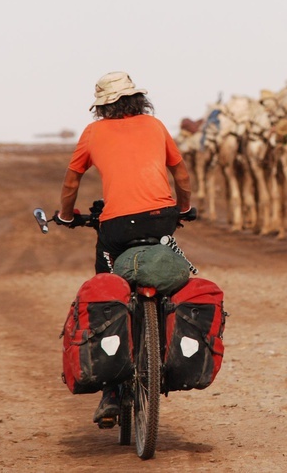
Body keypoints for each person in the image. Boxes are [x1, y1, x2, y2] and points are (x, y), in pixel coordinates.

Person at [57, 71, 192, 425]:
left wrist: (66, 215)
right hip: (161, 217)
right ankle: (164, 346)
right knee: (172, 271)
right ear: (137, 100)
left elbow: (72, 181)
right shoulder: (156, 125)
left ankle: (112, 391)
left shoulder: (92, 133)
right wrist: (183, 208)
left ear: (101, 106)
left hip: (115, 227)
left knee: (109, 290)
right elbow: (182, 176)